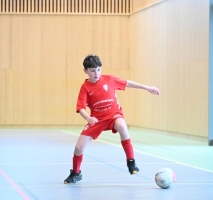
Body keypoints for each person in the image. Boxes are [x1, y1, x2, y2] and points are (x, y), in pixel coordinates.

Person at [64, 54, 160, 184]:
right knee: (78, 148)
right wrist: (88, 117)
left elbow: (128, 83)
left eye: (98, 69)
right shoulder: (85, 87)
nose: (96, 73)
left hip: (113, 114)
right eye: (92, 70)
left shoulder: (109, 79)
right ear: (85, 71)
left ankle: (131, 162)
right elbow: (80, 107)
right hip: (96, 119)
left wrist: (147, 87)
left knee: (121, 125)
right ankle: (76, 173)